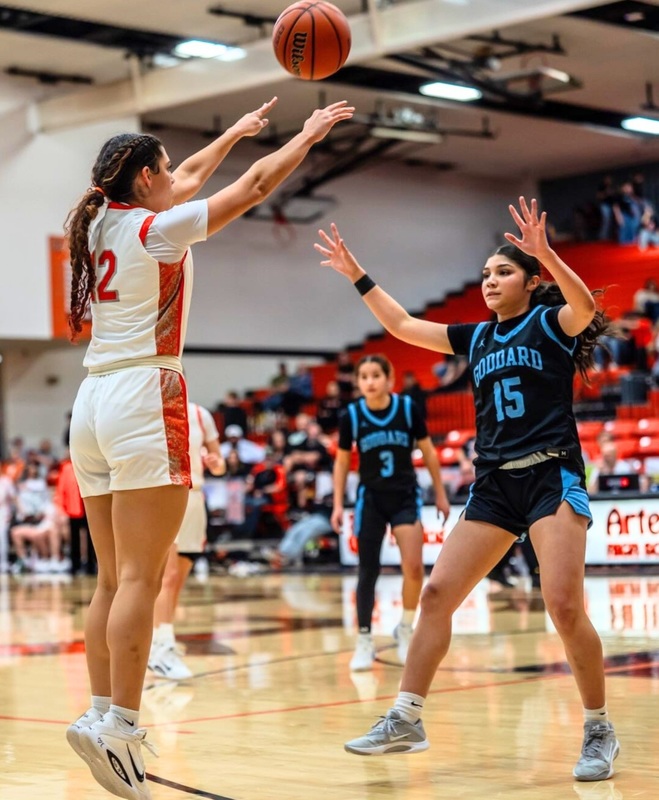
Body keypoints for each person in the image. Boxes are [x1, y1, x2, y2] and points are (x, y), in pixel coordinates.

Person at [63, 95, 354, 800]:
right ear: (143, 180)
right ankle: (124, 727)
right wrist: (307, 137)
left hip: (92, 401)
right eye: (162, 170)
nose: (175, 177)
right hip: (143, 396)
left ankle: (101, 710)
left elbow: (190, 175)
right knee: (141, 577)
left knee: (110, 580)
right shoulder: (158, 232)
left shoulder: (100, 217)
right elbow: (250, 189)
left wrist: (232, 132)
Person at [314, 197, 620, 782]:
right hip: (495, 485)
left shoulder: (549, 324)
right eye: (483, 274)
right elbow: (402, 325)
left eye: (502, 271)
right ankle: (407, 717)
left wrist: (546, 252)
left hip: (551, 474)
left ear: (531, 282)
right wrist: (357, 275)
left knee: (562, 604)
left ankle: (599, 727)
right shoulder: (475, 338)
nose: (489, 281)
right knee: (435, 596)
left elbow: (582, 304)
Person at [332, 354, 450, 671]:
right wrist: (337, 504)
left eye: (375, 375)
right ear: (357, 383)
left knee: (413, 567)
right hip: (370, 498)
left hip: (404, 496)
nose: (370, 381)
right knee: (367, 571)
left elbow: (427, 451)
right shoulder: (352, 415)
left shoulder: (408, 409)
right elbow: (342, 461)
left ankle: (406, 627)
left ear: (389, 379)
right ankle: (364, 640)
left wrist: (440, 492)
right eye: (364, 377)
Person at [148, 401, 225, 680]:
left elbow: (219, 464)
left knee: (178, 577)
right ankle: (162, 647)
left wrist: (217, 464)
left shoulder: (200, 414)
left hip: (195, 498)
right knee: (166, 576)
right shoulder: (150, 411)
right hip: (166, 495)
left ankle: (160, 640)